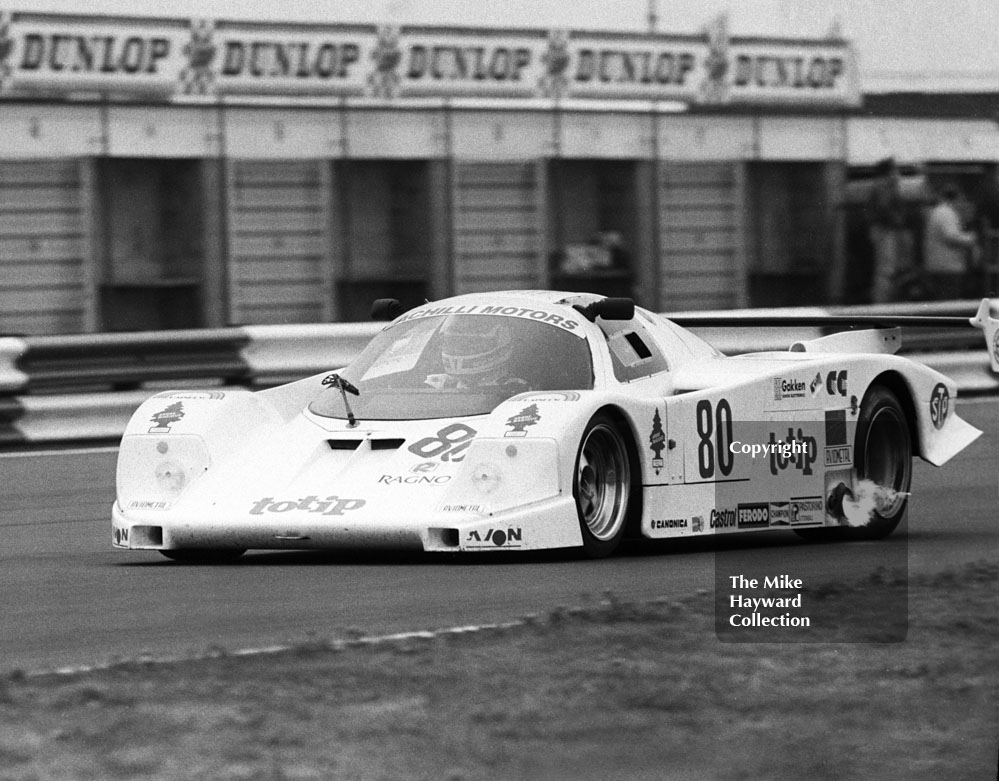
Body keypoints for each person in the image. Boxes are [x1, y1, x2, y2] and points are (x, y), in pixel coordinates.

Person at [425, 317, 529, 393]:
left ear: (502, 342)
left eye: (471, 343)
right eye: (455, 342)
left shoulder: (514, 387)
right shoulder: (440, 383)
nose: (460, 348)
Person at [866, 157, 911, 303]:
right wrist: (897, 220)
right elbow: (884, 208)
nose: (897, 174)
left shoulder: (882, 186)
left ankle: (882, 300)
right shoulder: (883, 186)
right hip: (884, 230)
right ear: (888, 172)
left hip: (882, 229)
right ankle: (881, 302)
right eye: (894, 170)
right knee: (886, 268)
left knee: (886, 267)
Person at [923, 185, 979, 300]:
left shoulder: (939, 211)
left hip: (940, 264)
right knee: (949, 298)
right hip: (947, 266)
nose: (962, 204)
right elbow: (951, 236)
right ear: (955, 198)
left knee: (943, 297)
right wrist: (971, 238)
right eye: (961, 200)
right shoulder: (946, 213)